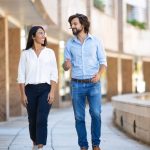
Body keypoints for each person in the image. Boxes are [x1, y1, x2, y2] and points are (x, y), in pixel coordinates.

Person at [63, 13, 107, 150]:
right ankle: (83, 145)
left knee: (95, 113)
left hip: (93, 84)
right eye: (71, 25)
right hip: (76, 84)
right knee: (79, 117)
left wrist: (99, 75)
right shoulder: (69, 43)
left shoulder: (96, 41)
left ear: (83, 24)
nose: (72, 26)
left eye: (75, 24)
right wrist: (66, 65)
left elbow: (103, 63)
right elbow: (65, 66)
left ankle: (96, 144)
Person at [17, 26, 58, 150]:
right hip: (30, 90)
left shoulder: (50, 52)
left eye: (44, 33)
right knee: (32, 119)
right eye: (40, 33)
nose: (43, 35)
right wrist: (22, 94)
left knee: (41, 118)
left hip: (45, 89)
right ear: (33, 36)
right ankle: (35, 143)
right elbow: (21, 75)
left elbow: (54, 74)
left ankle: (40, 147)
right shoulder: (25, 54)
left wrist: (52, 91)